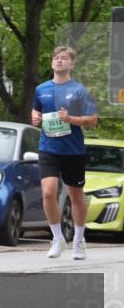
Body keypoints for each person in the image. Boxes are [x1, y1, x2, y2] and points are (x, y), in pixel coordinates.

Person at [31, 46, 98, 260]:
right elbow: (36, 109)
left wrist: (70, 119)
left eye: (64, 58)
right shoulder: (41, 89)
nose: (59, 61)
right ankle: (57, 237)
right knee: (48, 192)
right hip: (48, 148)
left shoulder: (79, 90)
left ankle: (78, 238)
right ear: (52, 63)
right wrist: (35, 118)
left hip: (73, 150)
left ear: (72, 64)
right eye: (56, 58)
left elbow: (92, 121)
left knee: (75, 195)